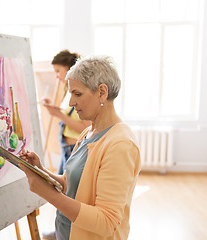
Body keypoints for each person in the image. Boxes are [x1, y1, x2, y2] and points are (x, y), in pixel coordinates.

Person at [20, 56, 141, 240]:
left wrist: (46, 193)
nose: (70, 103)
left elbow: (107, 222)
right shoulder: (88, 133)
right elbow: (73, 186)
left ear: (102, 92)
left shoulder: (120, 145)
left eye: (77, 94)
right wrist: (41, 170)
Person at [43, 50, 91, 175]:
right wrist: (54, 108)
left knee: (66, 191)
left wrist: (59, 115)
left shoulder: (80, 93)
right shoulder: (68, 91)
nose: (56, 76)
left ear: (69, 69)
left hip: (76, 150)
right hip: (67, 149)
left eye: (58, 71)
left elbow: (86, 128)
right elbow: (71, 115)